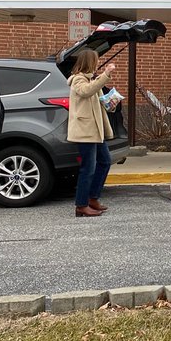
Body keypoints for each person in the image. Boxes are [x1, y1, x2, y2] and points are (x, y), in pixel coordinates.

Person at [66, 49, 116, 218]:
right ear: (89, 62)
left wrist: (111, 103)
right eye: (95, 61)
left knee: (105, 161)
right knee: (88, 167)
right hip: (85, 131)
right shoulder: (77, 80)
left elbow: (99, 100)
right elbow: (86, 91)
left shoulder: (90, 80)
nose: (97, 64)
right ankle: (81, 205)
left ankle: (93, 198)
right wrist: (106, 75)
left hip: (96, 130)